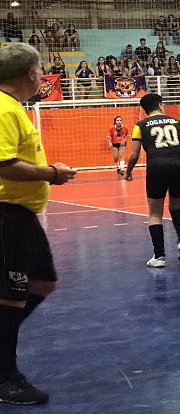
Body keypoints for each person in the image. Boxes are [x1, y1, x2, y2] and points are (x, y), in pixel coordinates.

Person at [0, 43, 77, 405]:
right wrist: (52, 173)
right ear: (31, 74)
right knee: (11, 296)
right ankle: (5, 377)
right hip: (7, 212)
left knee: (43, 283)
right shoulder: (3, 108)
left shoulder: (13, 107)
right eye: (40, 69)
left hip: (20, 214)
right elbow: (4, 166)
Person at [124, 94, 180, 267]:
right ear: (161, 105)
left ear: (144, 110)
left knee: (155, 214)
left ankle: (159, 256)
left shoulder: (140, 125)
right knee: (177, 207)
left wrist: (128, 172)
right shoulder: (178, 123)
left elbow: (134, 154)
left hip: (157, 166)